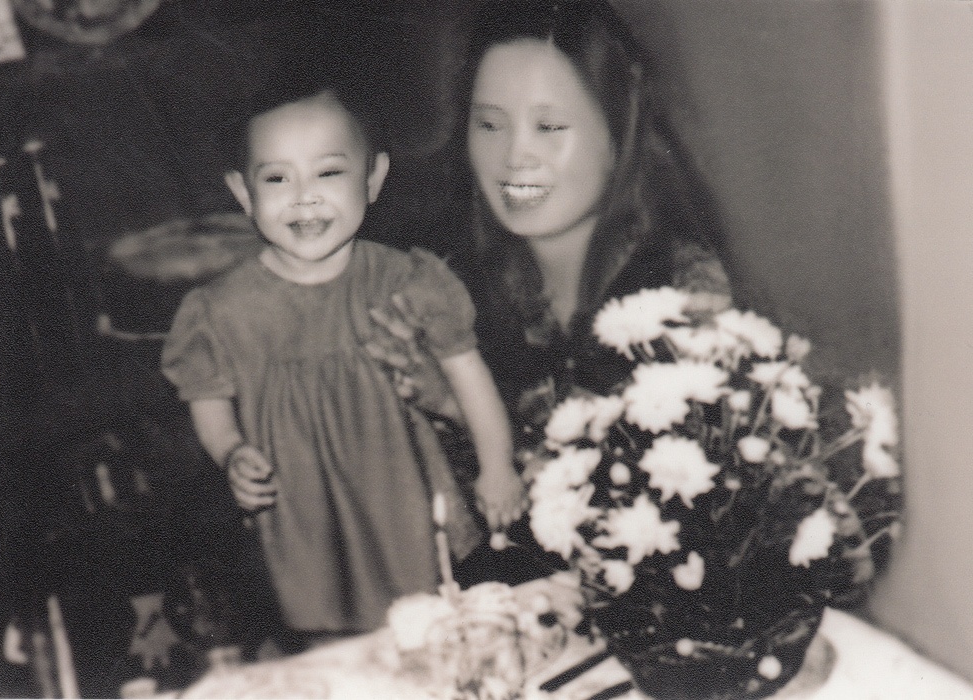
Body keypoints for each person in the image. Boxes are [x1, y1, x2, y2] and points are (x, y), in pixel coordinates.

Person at [368, 0, 734, 582]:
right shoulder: (449, 284)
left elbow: (655, 516)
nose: (514, 157)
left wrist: (467, 414)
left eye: (550, 127)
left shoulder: (685, 295)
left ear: (617, 133)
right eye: (490, 125)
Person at [160, 80, 525, 649]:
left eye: (328, 172)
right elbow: (208, 403)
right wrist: (231, 451)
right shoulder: (221, 311)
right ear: (242, 192)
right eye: (277, 178)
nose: (303, 198)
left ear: (373, 179)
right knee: (334, 645)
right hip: (305, 519)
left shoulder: (407, 280)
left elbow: (469, 377)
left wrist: (497, 466)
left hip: (408, 503)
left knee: (442, 634)